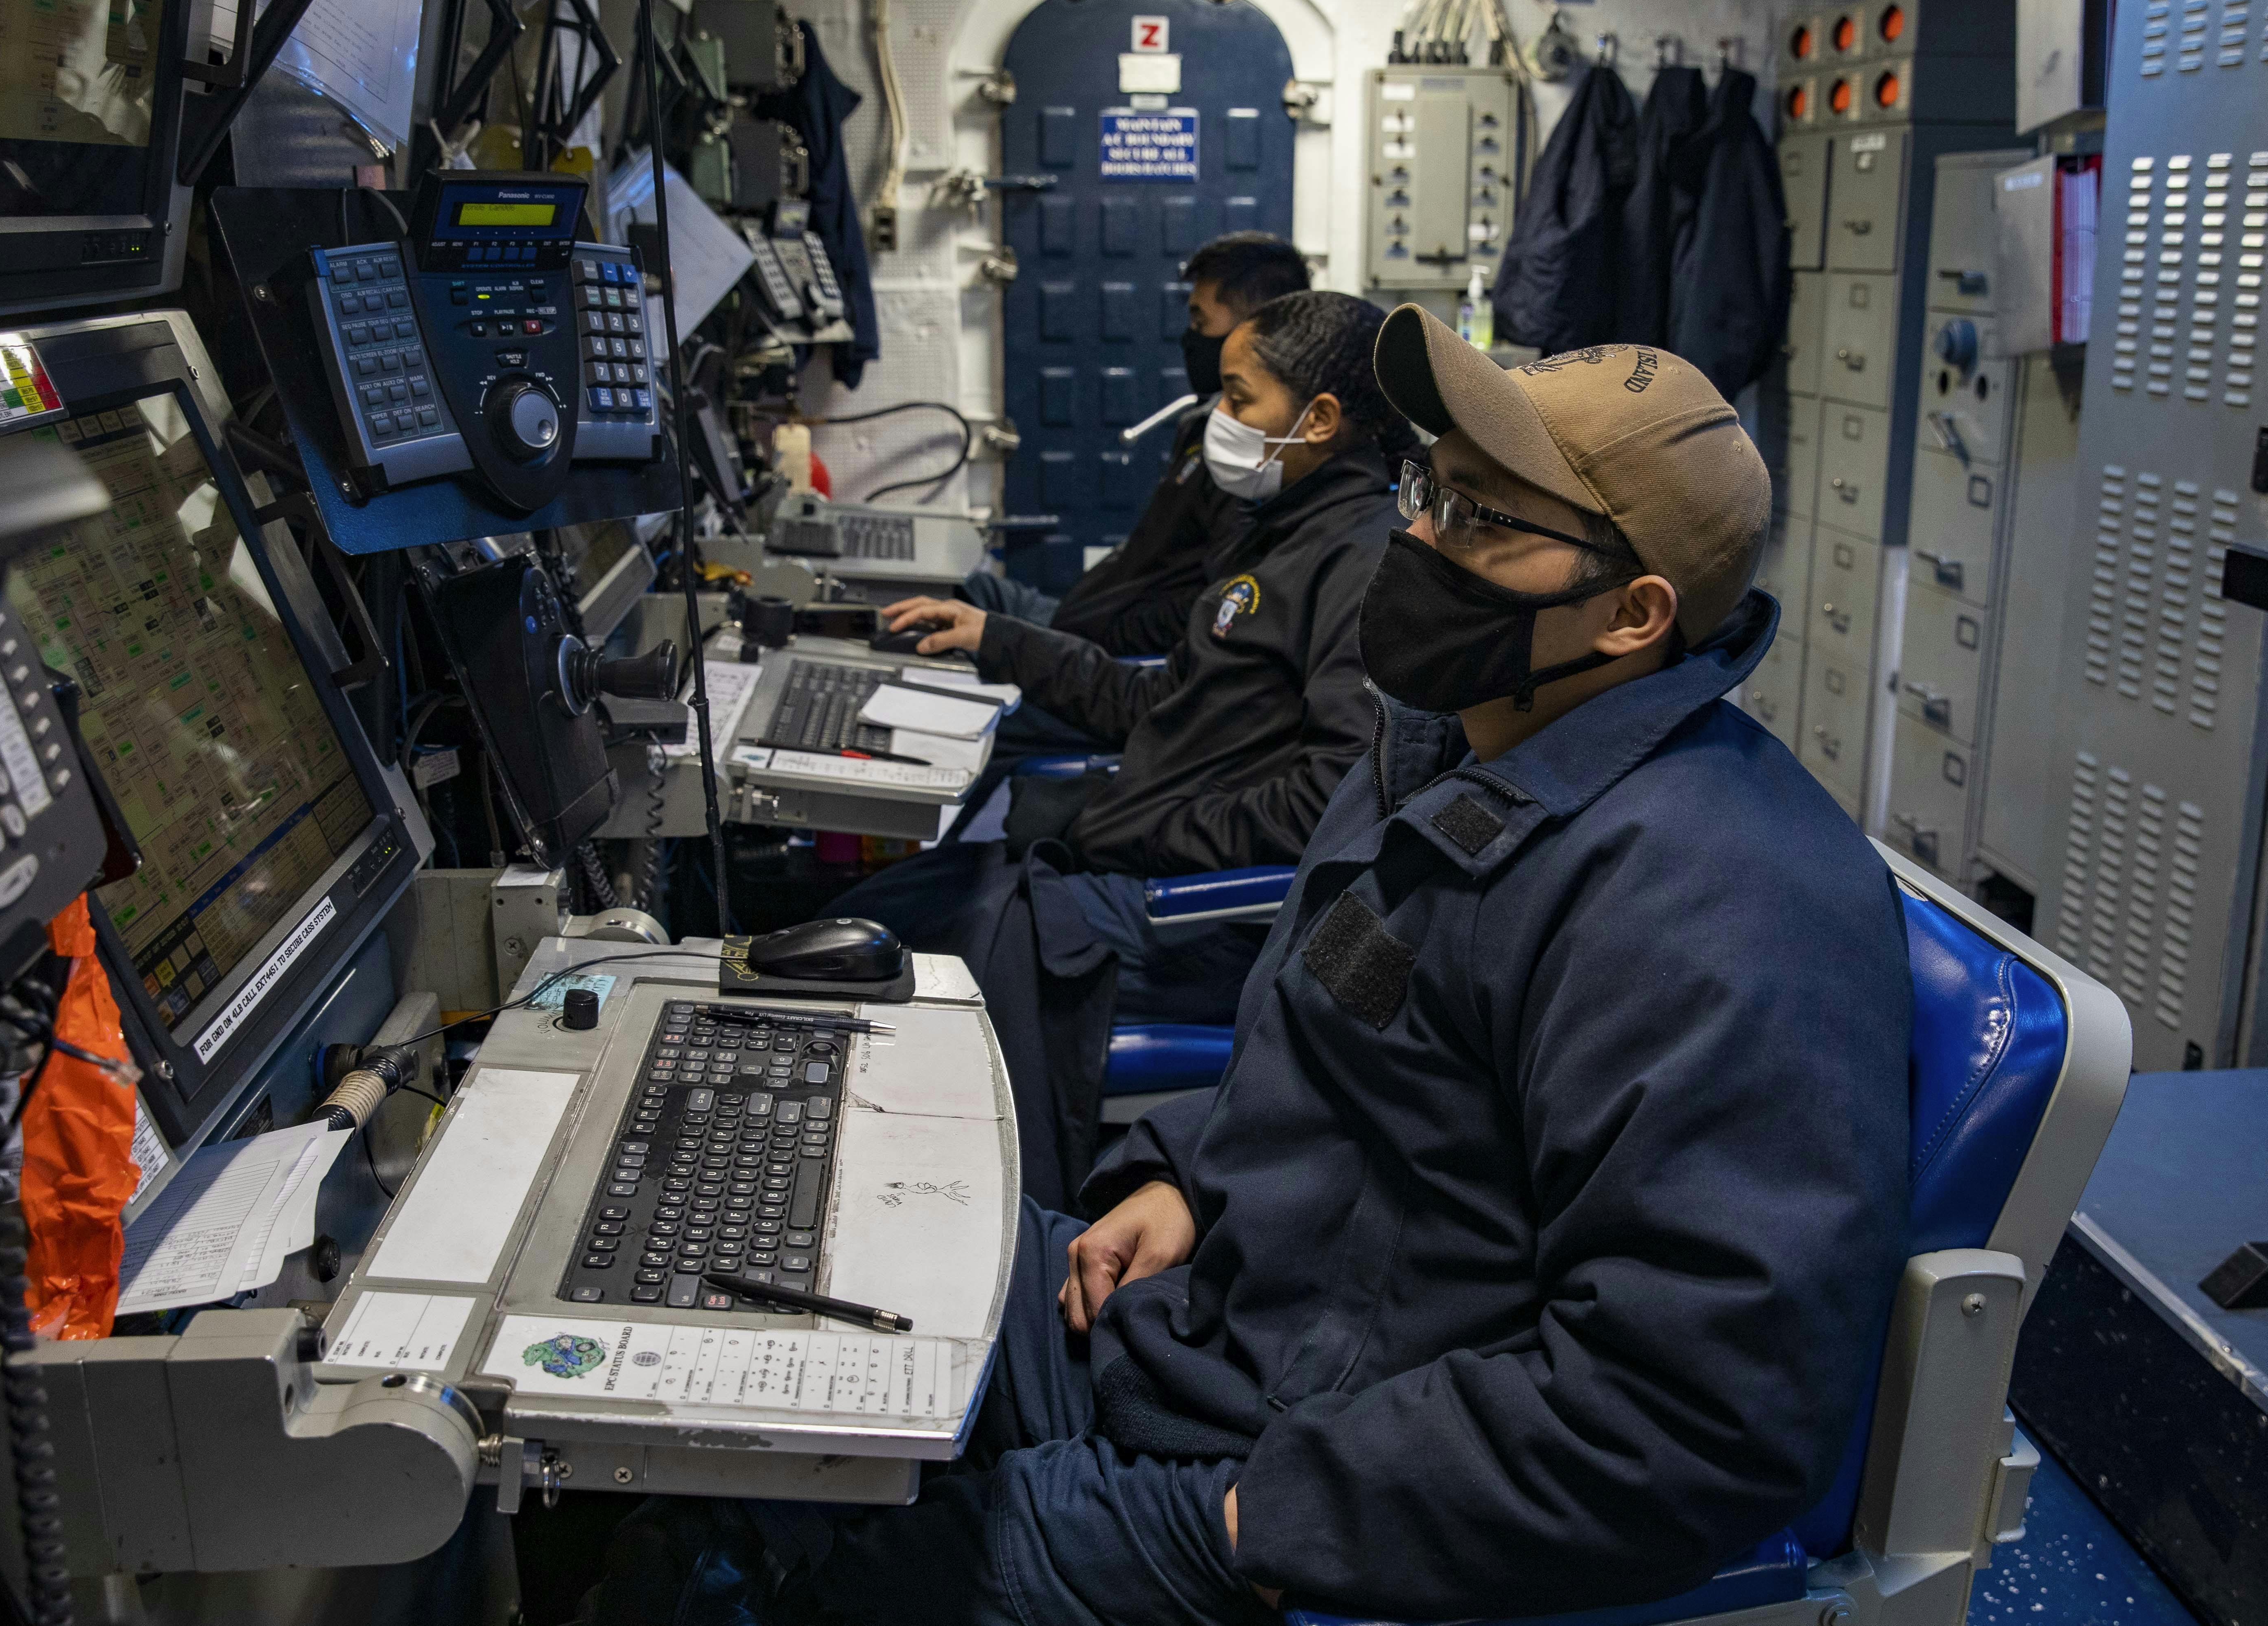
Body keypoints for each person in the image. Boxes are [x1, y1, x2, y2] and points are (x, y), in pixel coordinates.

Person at [577, 316, 1913, 1626]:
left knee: (838, 1584)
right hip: (1207, 1326)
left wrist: (1254, 1529)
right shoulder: (1453, 753)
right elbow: (1342, 1046)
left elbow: (1689, 1422)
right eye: (1426, 488)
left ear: (1629, 615)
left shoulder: (1723, 906)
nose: (1415, 538)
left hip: (1281, 1469)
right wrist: (1181, 1179)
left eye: (1480, 520)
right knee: (755, 1358)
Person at [826, 290, 1408, 1205]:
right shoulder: (1284, 538)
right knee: (860, 917)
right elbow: (1157, 700)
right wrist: (997, 637)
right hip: (1128, 868)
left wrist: (1146, 831)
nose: (1219, 420)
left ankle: (940, 1214)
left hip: (1188, 916)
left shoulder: (1361, 561)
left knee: (882, 962)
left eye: (1237, 398)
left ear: (1320, 418)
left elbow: (1331, 797)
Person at [957, 231, 1313, 658]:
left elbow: (1214, 607)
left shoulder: (1254, 453)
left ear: (1253, 327)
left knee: (959, 651)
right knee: (961, 587)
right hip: (1079, 625)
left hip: (1106, 657)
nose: (1189, 338)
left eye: (1201, 323)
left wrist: (1089, 648)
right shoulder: (1201, 428)